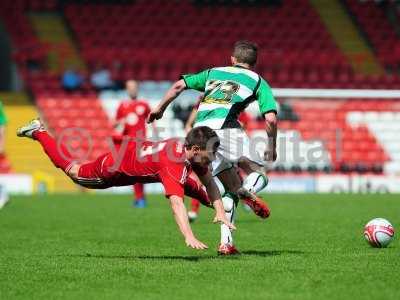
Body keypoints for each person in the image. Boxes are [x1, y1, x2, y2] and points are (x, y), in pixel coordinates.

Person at [17, 119, 235, 250]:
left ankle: (236, 200)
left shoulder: (185, 151)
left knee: (192, 186)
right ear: (196, 150)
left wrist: (220, 212)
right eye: (212, 153)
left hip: (130, 153)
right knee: (72, 171)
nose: (213, 157)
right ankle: (39, 132)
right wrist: (189, 235)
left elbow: (209, 182)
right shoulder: (174, 164)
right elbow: (177, 204)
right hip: (110, 169)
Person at [148, 40, 278, 254]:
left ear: (232, 59)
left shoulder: (212, 72)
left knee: (230, 190)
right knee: (259, 173)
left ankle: (226, 243)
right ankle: (250, 191)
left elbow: (179, 85)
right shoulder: (258, 81)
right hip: (227, 128)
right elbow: (271, 120)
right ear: (254, 63)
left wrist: (160, 109)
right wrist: (272, 147)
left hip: (201, 135)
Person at [113, 80, 156, 208]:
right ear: (126, 89)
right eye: (129, 88)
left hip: (139, 142)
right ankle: (139, 198)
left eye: (134, 87)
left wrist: (154, 134)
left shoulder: (144, 104)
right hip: (126, 143)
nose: (132, 90)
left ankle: (140, 198)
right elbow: (115, 123)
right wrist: (122, 120)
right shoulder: (123, 105)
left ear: (137, 88)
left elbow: (152, 119)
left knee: (138, 171)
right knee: (132, 172)